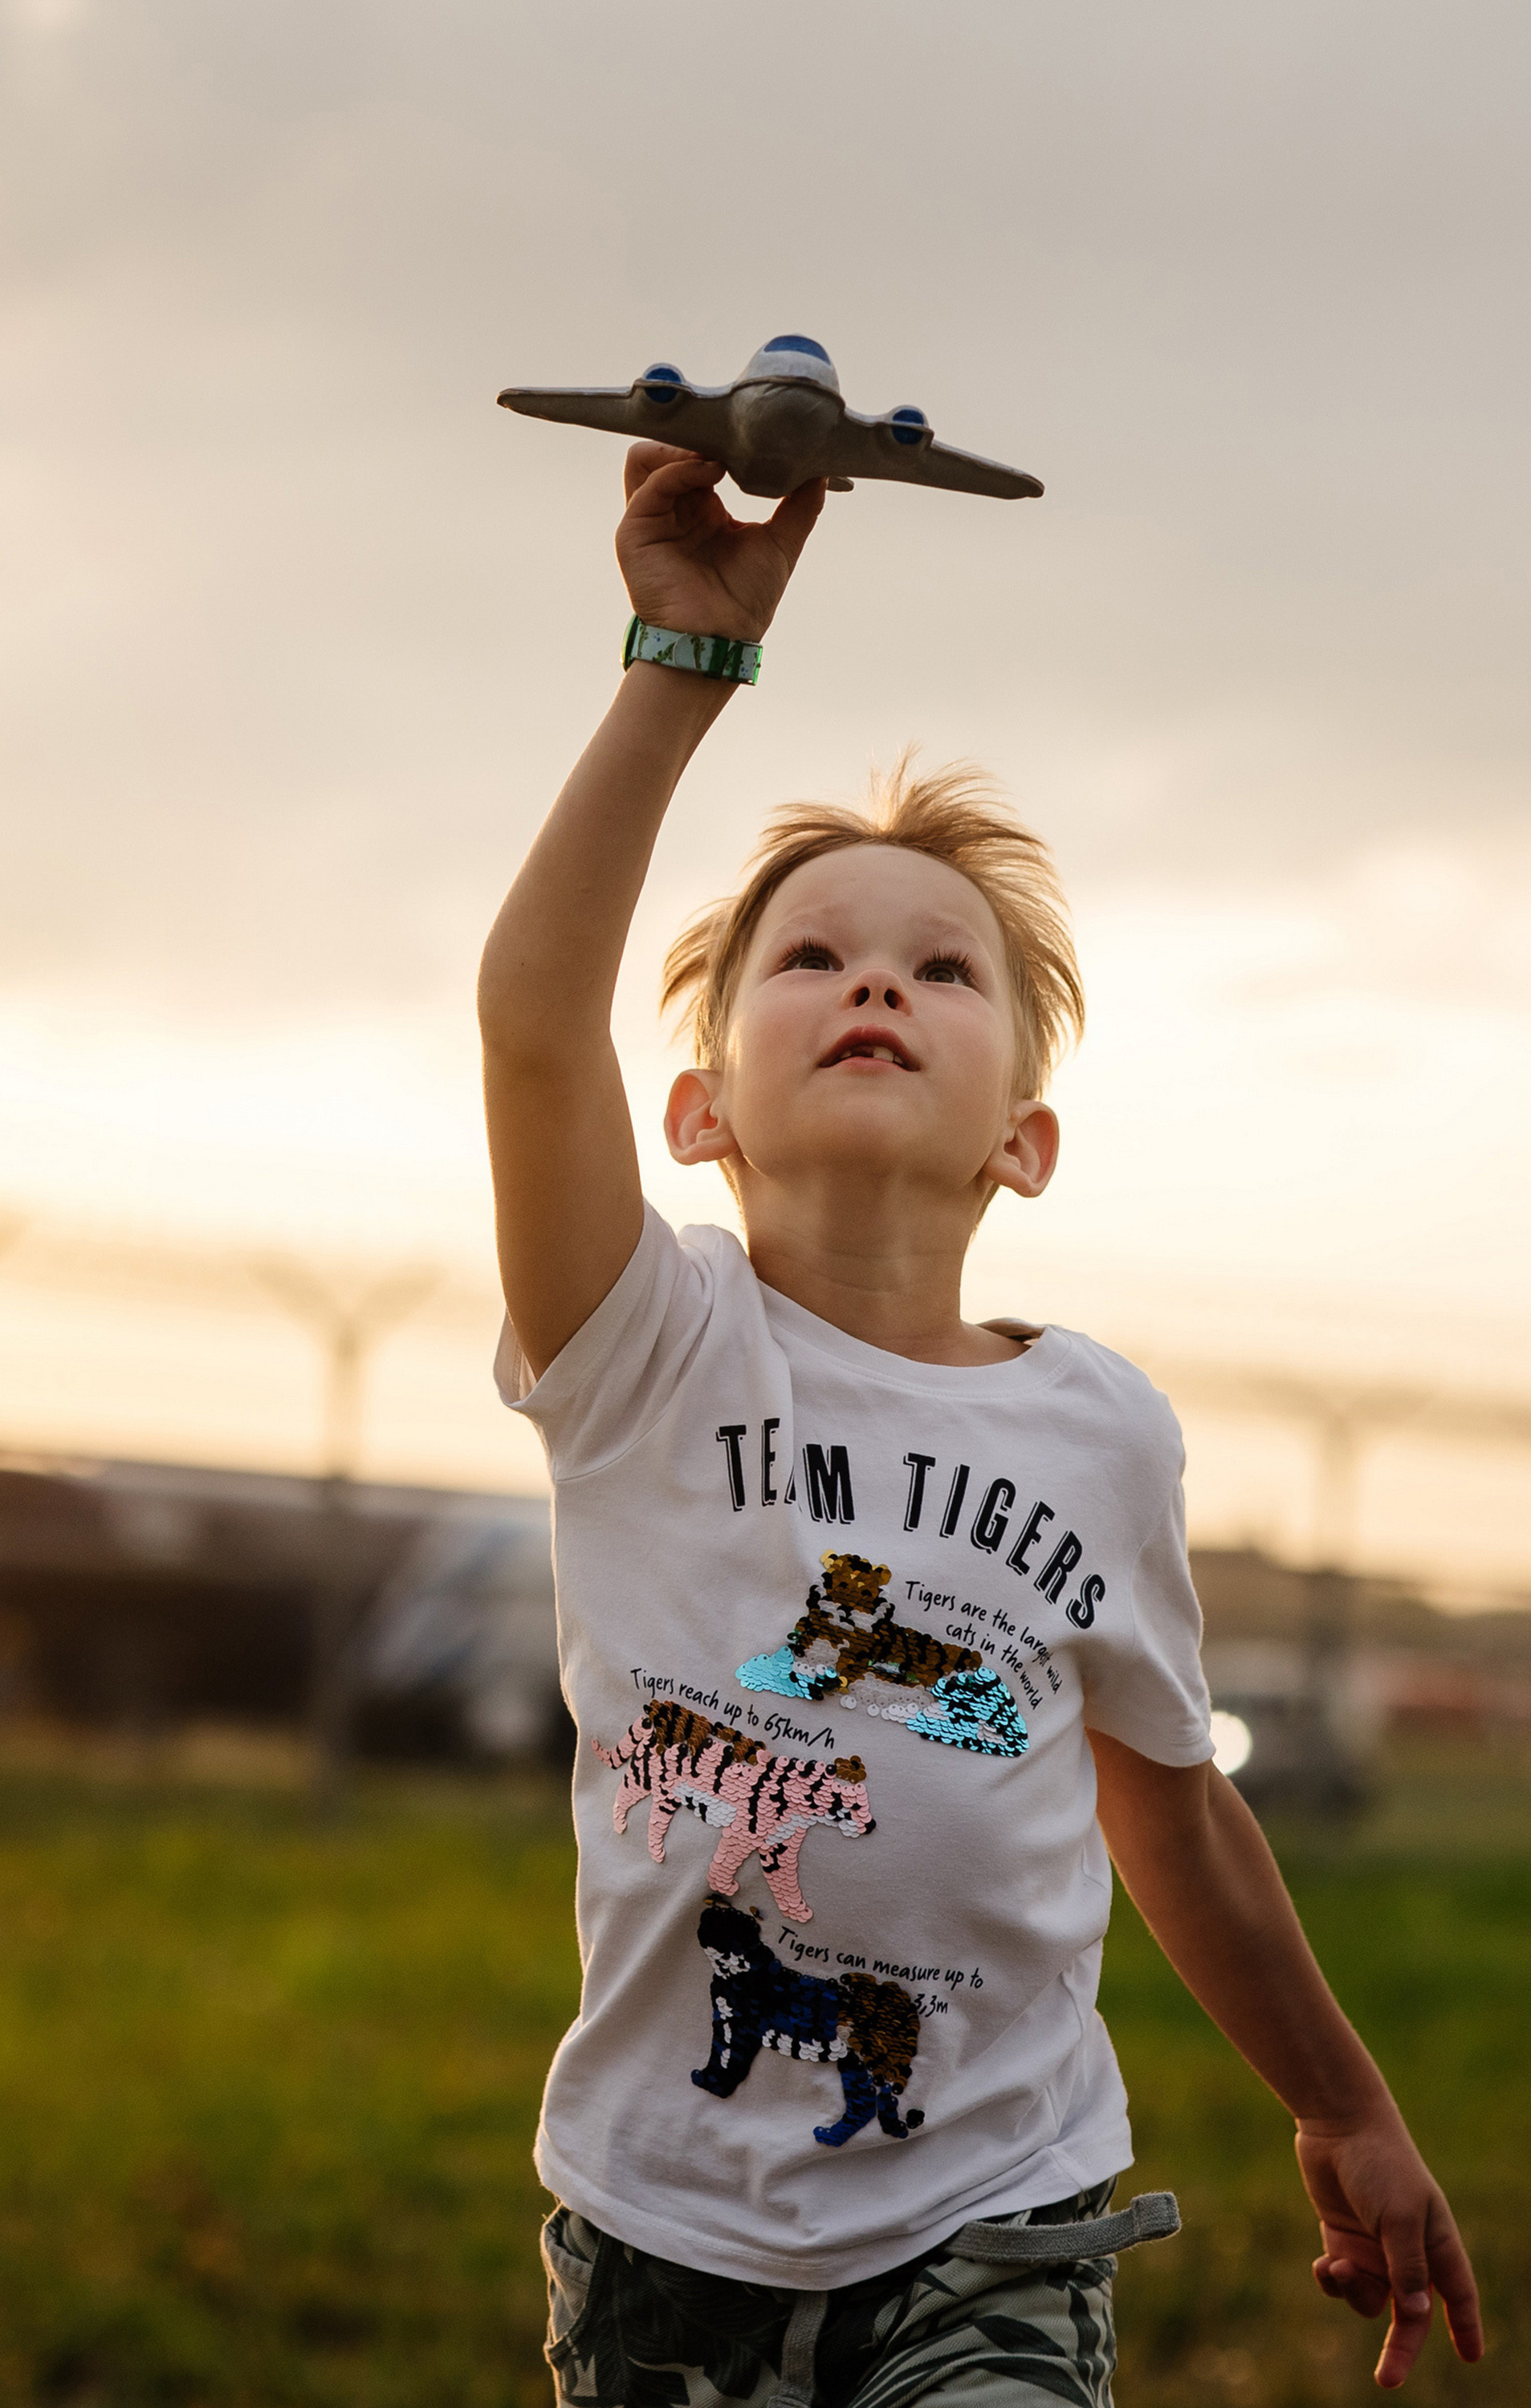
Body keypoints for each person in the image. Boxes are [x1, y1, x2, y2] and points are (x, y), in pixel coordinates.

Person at [478, 442, 1482, 2406]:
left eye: (943, 969)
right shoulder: (639, 1341)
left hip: (995, 2225)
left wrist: (1341, 2098)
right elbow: (530, 1015)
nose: (876, 979)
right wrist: (685, 655)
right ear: (698, 1111)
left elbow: (1167, 1800)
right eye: (814, 958)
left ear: (1021, 1140)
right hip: (655, 2229)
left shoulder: (1101, 1432)